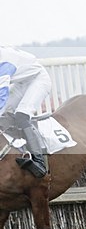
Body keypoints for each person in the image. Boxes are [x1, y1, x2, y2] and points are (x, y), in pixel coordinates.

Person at [0, 46, 52, 178]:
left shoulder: (4, 63)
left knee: (21, 115)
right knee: (4, 114)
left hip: (38, 80)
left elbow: (2, 94)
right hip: (22, 82)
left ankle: (39, 161)